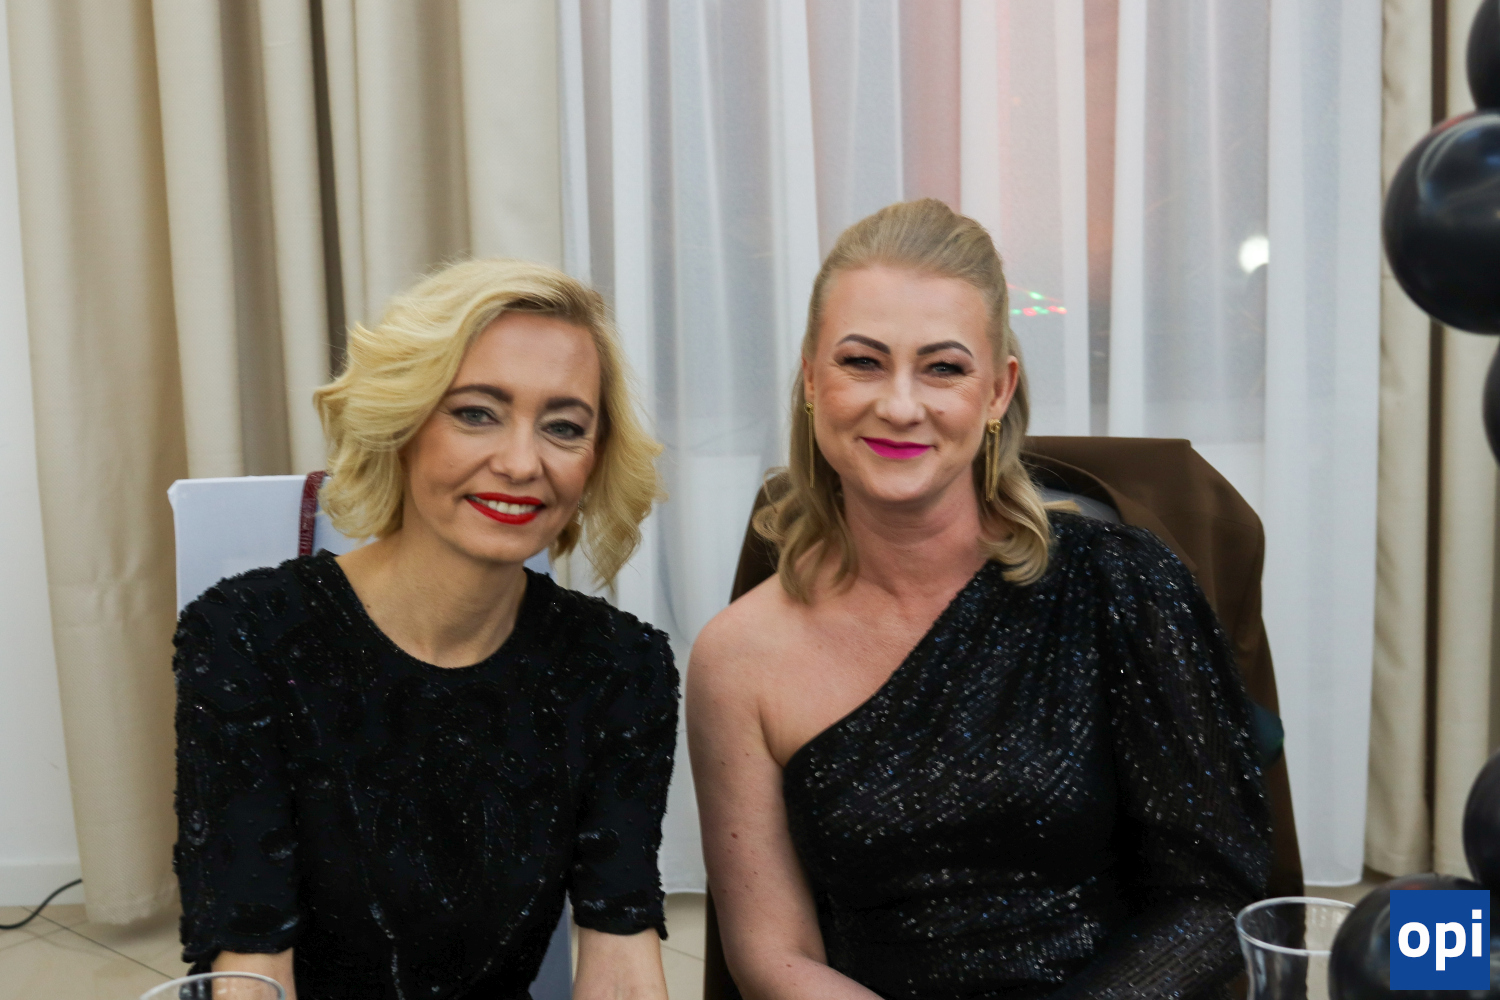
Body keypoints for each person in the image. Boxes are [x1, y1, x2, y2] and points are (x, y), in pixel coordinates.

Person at [688, 200, 1271, 1000]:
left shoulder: (1123, 583)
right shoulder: (736, 658)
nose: (900, 405)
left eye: (944, 368)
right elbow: (771, 956)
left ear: (998, 391)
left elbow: (1212, 900)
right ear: (812, 380)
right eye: (862, 362)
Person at [173, 259, 677, 1000]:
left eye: (564, 427)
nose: (521, 462)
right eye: (477, 413)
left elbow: (621, 952)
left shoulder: (621, 666)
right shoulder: (248, 634)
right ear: (403, 425)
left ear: (595, 461)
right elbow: (250, 969)